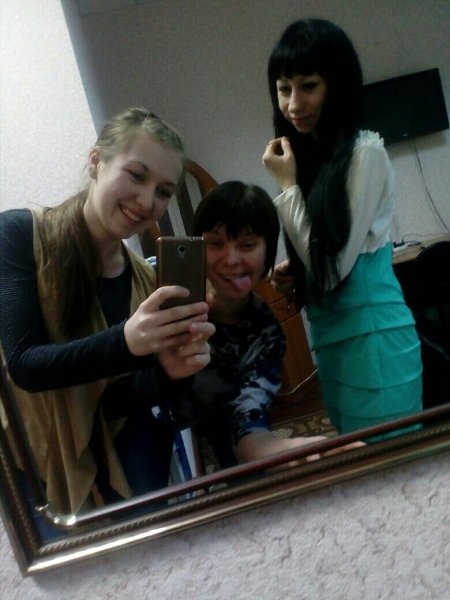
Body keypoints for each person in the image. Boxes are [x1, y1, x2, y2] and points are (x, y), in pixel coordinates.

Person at [0, 107, 215, 520]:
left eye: (163, 191)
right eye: (136, 176)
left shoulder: (144, 280)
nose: (147, 201)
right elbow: (23, 365)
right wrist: (126, 342)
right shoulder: (19, 235)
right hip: (32, 467)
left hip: (125, 471)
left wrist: (169, 373)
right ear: (96, 161)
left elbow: (111, 401)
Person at [262, 18, 423, 440]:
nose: (294, 103)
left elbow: (332, 271)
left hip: (375, 342)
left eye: (308, 86)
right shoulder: (314, 157)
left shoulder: (365, 153)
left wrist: (287, 188)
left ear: (337, 85)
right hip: (333, 342)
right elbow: (323, 256)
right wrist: (297, 273)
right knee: (360, 459)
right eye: (283, 88)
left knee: (389, 466)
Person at [163, 180, 347, 470]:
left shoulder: (266, 334)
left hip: (224, 452)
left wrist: (279, 449)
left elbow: (249, 422)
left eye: (247, 245)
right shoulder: (169, 302)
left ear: (267, 254)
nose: (231, 259)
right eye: (216, 243)